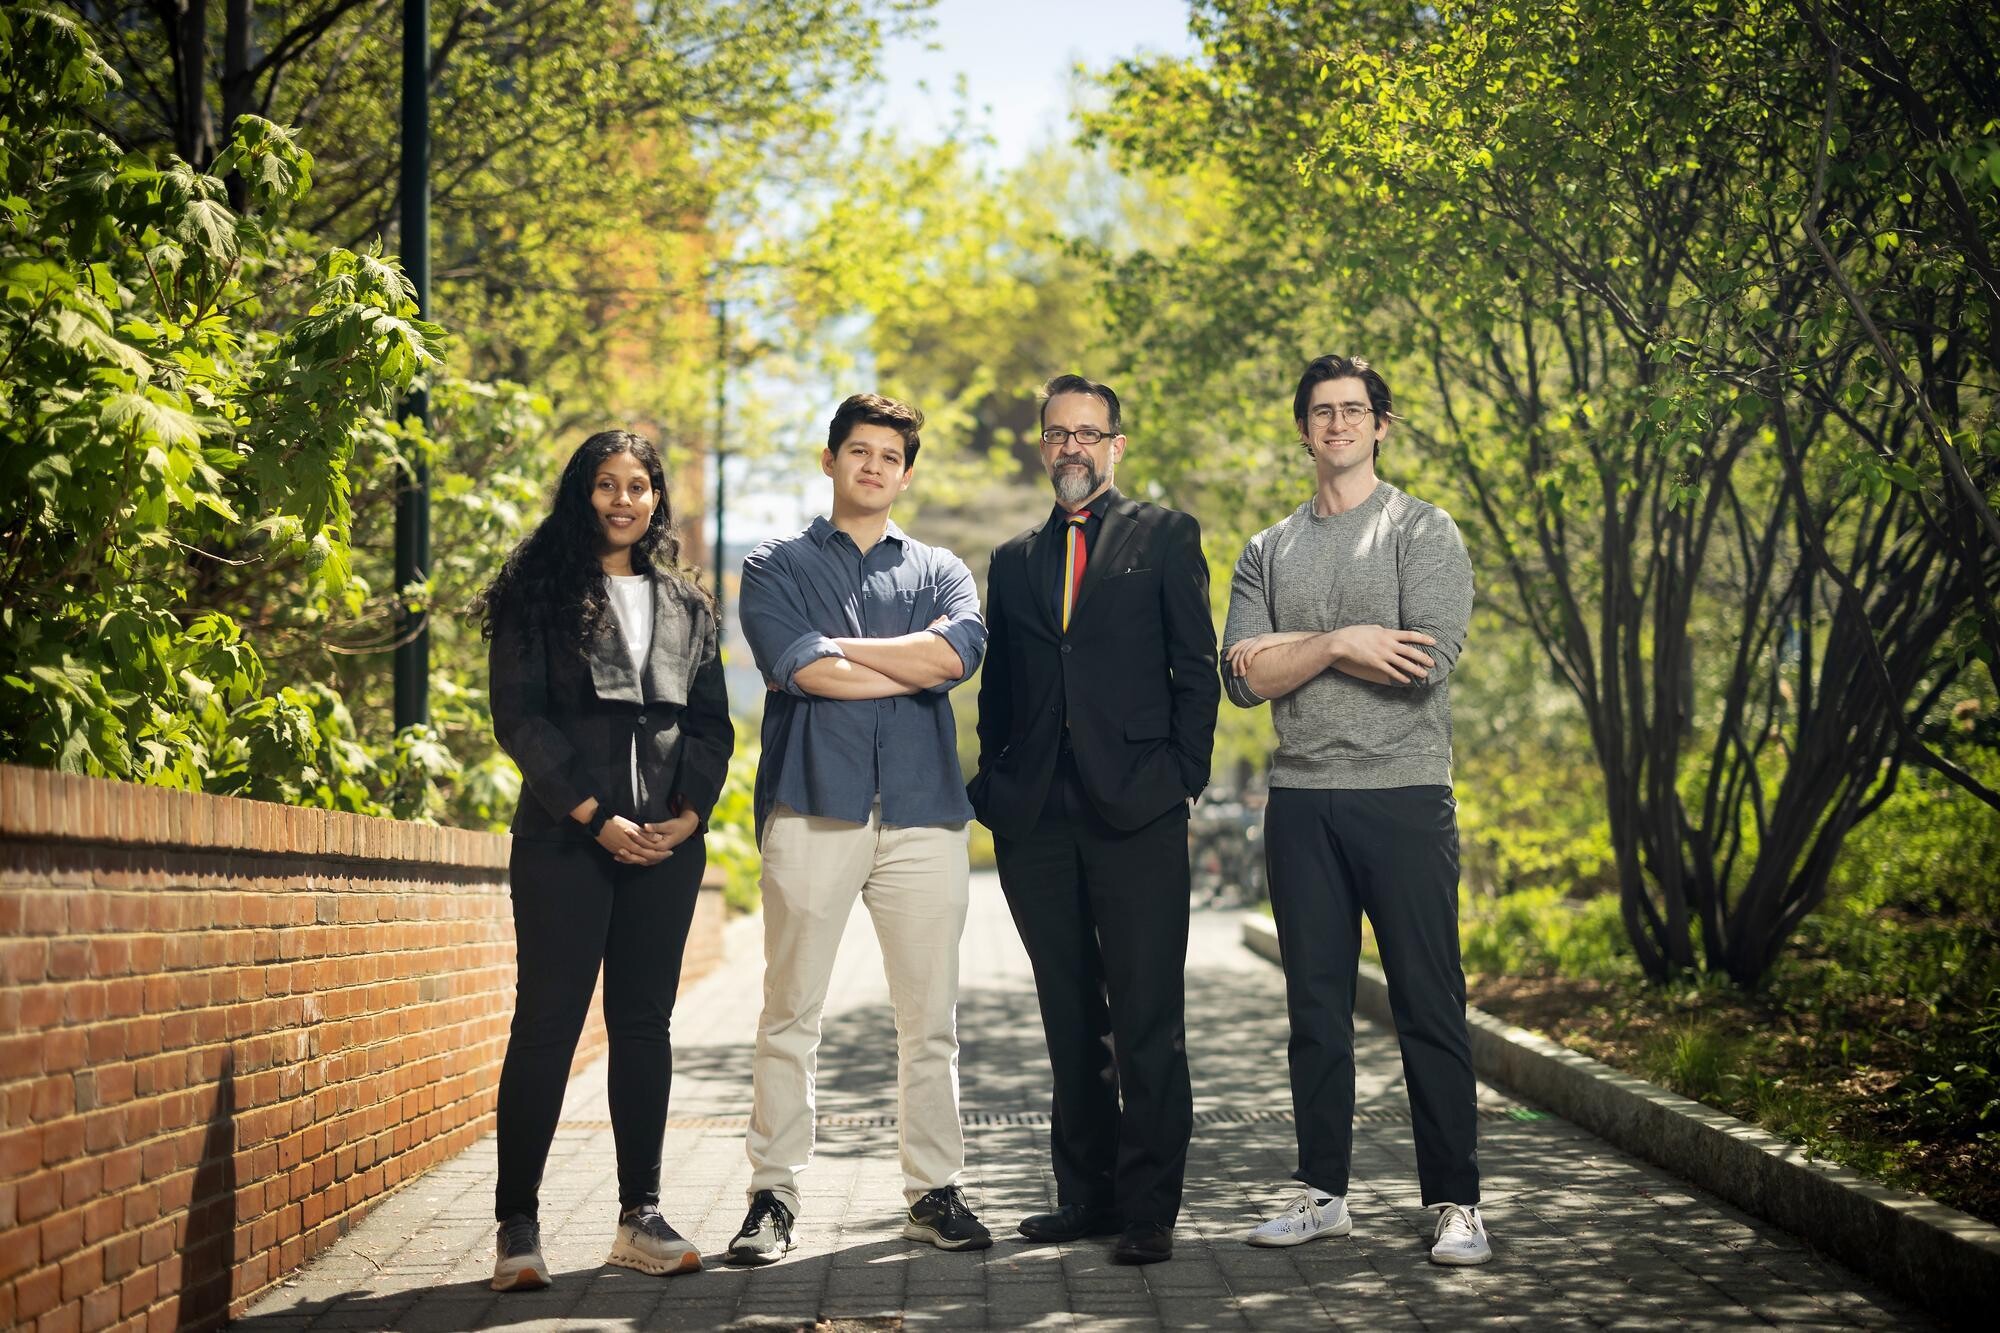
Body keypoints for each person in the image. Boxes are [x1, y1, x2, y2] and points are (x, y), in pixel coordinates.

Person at [1220, 354, 1490, 1265]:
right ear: (1302, 430)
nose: (1336, 424)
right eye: (1320, 412)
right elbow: (1242, 677)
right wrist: (1343, 639)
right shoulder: (1268, 548)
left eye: (1353, 410)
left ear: (1381, 424)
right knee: (1315, 1010)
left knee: (1428, 1003)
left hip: (1405, 797)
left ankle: (1455, 1200)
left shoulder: (1422, 529)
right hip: (1299, 804)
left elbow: (1424, 663)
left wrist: (1294, 650)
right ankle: (1322, 1191)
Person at [729, 392, 990, 1264]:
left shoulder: (943, 567)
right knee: (789, 1012)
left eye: (890, 455)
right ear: (830, 459)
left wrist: (842, 651)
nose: (874, 466)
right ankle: (771, 1195)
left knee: (931, 1020)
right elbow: (798, 668)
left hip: (925, 815)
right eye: (859, 451)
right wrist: (903, 663)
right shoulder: (774, 563)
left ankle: (933, 1190)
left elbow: (957, 656)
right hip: (813, 805)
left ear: (906, 471)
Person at [969, 373, 1220, 1265]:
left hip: (1138, 810)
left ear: (1115, 445)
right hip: (1036, 818)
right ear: (1042, 447)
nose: (1072, 446)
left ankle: (1149, 1206)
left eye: (1089, 432)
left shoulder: (1165, 535)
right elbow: (999, 694)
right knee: (1068, 1012)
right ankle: (1085, 1194)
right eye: (1058, 434)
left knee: (1147, 1013)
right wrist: (994, 790)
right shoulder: (1013, 561)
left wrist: (1181, 779)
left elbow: (1196, 666)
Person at [481, 429, 734, 1291]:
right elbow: (518, 715)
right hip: (564, 840)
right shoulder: (538, 593)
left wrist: (686, 816)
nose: (623, 499)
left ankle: (641, 1216)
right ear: (580, 494)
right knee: (548, 1023)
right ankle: (518, 1226)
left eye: (638, 485)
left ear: (657, 498)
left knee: (643, 1025)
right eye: (605, 484)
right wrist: (595, 818)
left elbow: (710, 725)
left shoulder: (689, 604)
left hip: (666, 848)